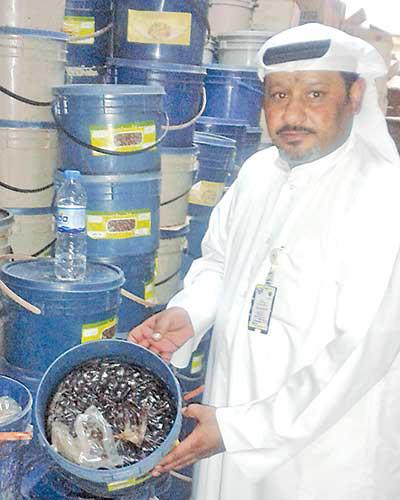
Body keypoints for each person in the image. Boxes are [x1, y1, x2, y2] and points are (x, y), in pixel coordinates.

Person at [129, 23, 400, 500]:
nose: (291, 114)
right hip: (229, 417)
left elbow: (359, 349)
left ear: (355, 96)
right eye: (278, 95)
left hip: (323, 452)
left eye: (314, 94)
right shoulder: (258, 173)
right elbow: (219, 261)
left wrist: (242, 429)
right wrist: (191, 313)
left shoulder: (382, 196)